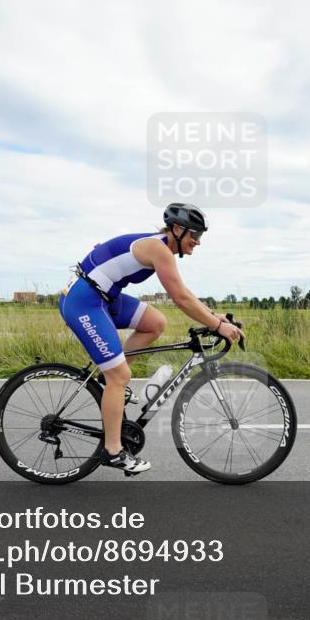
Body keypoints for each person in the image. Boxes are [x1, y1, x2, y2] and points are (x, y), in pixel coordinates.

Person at [58, 202, 244, 474]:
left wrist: (216, 317)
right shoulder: (159, 249)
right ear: (178, 230)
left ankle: (108, 380)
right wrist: (217, 326)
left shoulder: (160, 247)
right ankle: (112, 451)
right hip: (84, 302)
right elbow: (179, 298)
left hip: (104, 298)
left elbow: (184, 291)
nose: (198, 242)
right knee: (119, 376)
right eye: (195, 235)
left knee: (155, 322)